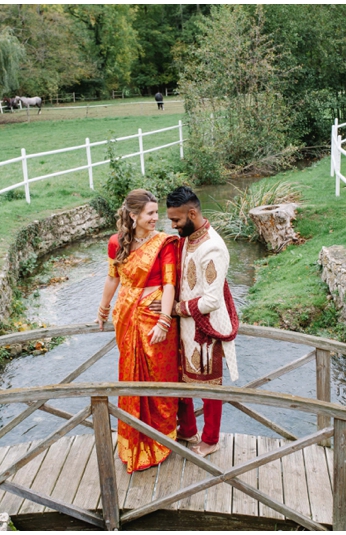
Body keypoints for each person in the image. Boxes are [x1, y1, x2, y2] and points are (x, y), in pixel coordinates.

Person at [96, 189, 180, 473]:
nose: (157, 218)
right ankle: (133, 439)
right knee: (130, 376)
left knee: (159, 378)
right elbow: (112, 277)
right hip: (127, 317)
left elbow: (169, 285)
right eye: (151, 214)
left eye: (157, 213)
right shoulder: (115, 243)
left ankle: (160, 440)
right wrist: (103, 309)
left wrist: (164, 321)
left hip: (155, 317)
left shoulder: (164, 243)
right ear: (133, 216)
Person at [166, 186, 239, 457]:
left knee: (208, 388)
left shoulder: (213, 247)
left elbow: (211, 300)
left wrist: (175, 308)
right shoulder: (189, 237)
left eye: (176, 220)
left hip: (205, 331)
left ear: (192, 213)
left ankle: (211, 440)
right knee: (182, 381)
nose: (173, 226)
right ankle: (187, 430)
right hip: (185, 326)